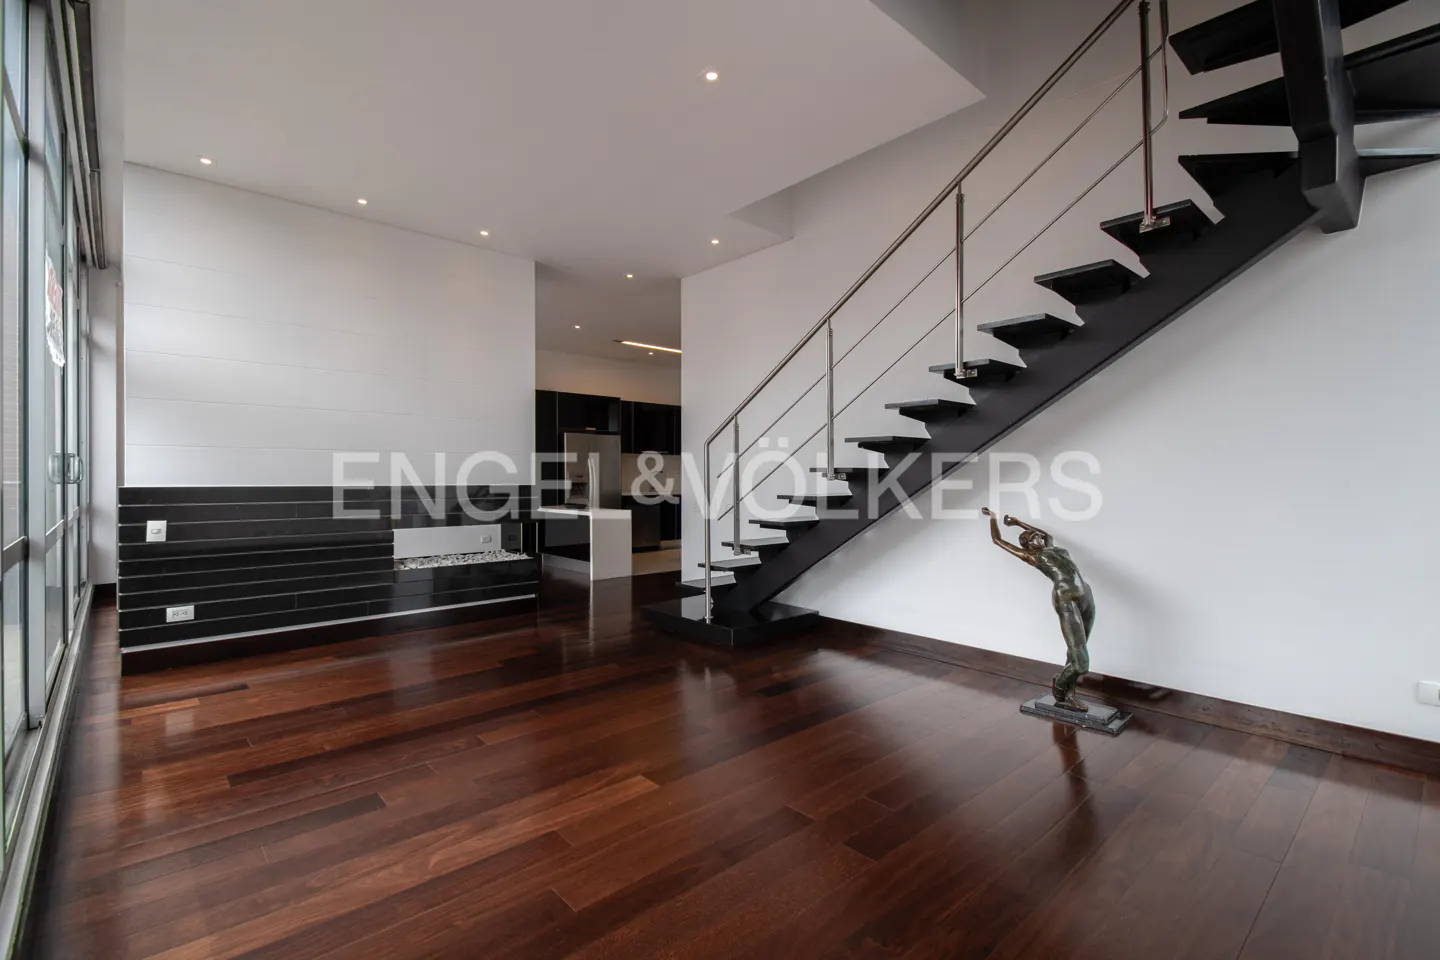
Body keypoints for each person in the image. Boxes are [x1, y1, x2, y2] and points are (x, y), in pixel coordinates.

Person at [980, 508, 1095, 713]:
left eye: (1035, 535)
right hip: (1066, 599)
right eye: (1030, 536)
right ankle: (1059, 686)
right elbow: (998, 541)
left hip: (1086, 595)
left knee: (1076, 651)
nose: (1037, 537)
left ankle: (1070, 695)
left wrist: (1017, 522)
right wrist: (994, 518)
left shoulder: (1052, 548)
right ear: (1026, 544)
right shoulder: (1031, 555)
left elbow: (1047, 535)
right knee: (1081, 663)